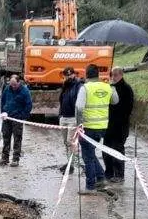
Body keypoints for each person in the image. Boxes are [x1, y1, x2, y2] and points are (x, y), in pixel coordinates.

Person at [75, 64, 118, 194]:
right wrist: (112, 88)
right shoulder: (107, 87)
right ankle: (100, 178)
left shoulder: (85, 88)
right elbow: (115, 101)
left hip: (88, 127)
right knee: (91, 153)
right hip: (102, 127)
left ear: (86, 74)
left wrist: (79, 125)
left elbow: (79, 107)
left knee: (87, 157)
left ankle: (90, 186)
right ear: (98, 74)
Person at [103, 67, 135, 183]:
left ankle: (119, 175)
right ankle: (109, 172)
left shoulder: (127, 89)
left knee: (118, 150)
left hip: (120, 126)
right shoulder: (110, 88)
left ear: (121, 75)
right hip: (109, 125)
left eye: (115, 75)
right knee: (106, 150)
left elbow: (128, 108)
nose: (113, 77)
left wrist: (119, 119)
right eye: (112, 75)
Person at [0, 74, 33, 167]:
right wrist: (3, 112)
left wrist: (22, 116)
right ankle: (4, 158)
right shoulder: (7, 89)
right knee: (6, 137)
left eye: (15, 85)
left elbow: (29, 105)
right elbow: (3, 101)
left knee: (17, 138)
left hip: (17, 119)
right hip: (7, 118)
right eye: (11, 84)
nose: (13, 86)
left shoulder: (24, 91)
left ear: (19, 82)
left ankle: (15, 159)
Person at [57, 66, 82, 168]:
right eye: (66, 76)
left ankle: (74, 163)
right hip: (64, 117)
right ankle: (70, 162)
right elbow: (61, 100)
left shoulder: (79, 86)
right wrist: (60, 115)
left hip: (73, 118)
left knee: (70, 141)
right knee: (66, 142)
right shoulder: (65, 86)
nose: (68, 77)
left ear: (74, 74)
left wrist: (78, 119)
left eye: (70, 75)